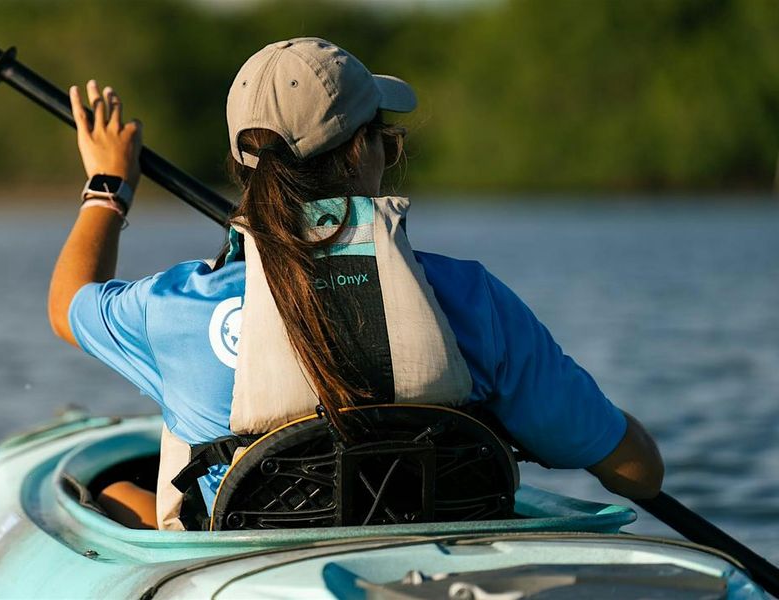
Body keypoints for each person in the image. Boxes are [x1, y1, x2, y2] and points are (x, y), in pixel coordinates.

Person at [49, 38, 663, 531]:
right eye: (385, 139)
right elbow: (638, 473)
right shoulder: (470, 296)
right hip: (439, 542)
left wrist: (108, 185)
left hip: (252, 563)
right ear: (359, 154)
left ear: (242, 167)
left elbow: (67, 306)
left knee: (109, 490)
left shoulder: (176, 309)